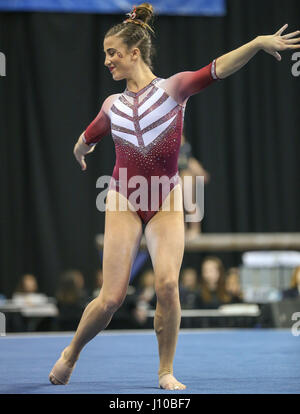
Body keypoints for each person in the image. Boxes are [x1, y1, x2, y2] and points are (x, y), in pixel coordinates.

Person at [49, 3, 300, 390]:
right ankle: (71, 353)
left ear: (134, 53)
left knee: (168, 285)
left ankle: (165, 370)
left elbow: (216, 69)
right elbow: (88, 136)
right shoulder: (112, 105)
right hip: (124, 200)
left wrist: (255, 42)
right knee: (112, 297)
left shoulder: (173, 89)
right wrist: (80, 152)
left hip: (165, 200)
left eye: (111, 53)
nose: (106, 61)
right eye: (104, 54)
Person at [178, 134, 210, 240]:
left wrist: (200, 171)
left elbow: (190, 161)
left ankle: (195, 229)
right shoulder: (169, 146)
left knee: (189, 202)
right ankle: (182, 228)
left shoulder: (183, 147)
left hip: (185, 174)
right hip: (176, 177)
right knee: (178, 205)